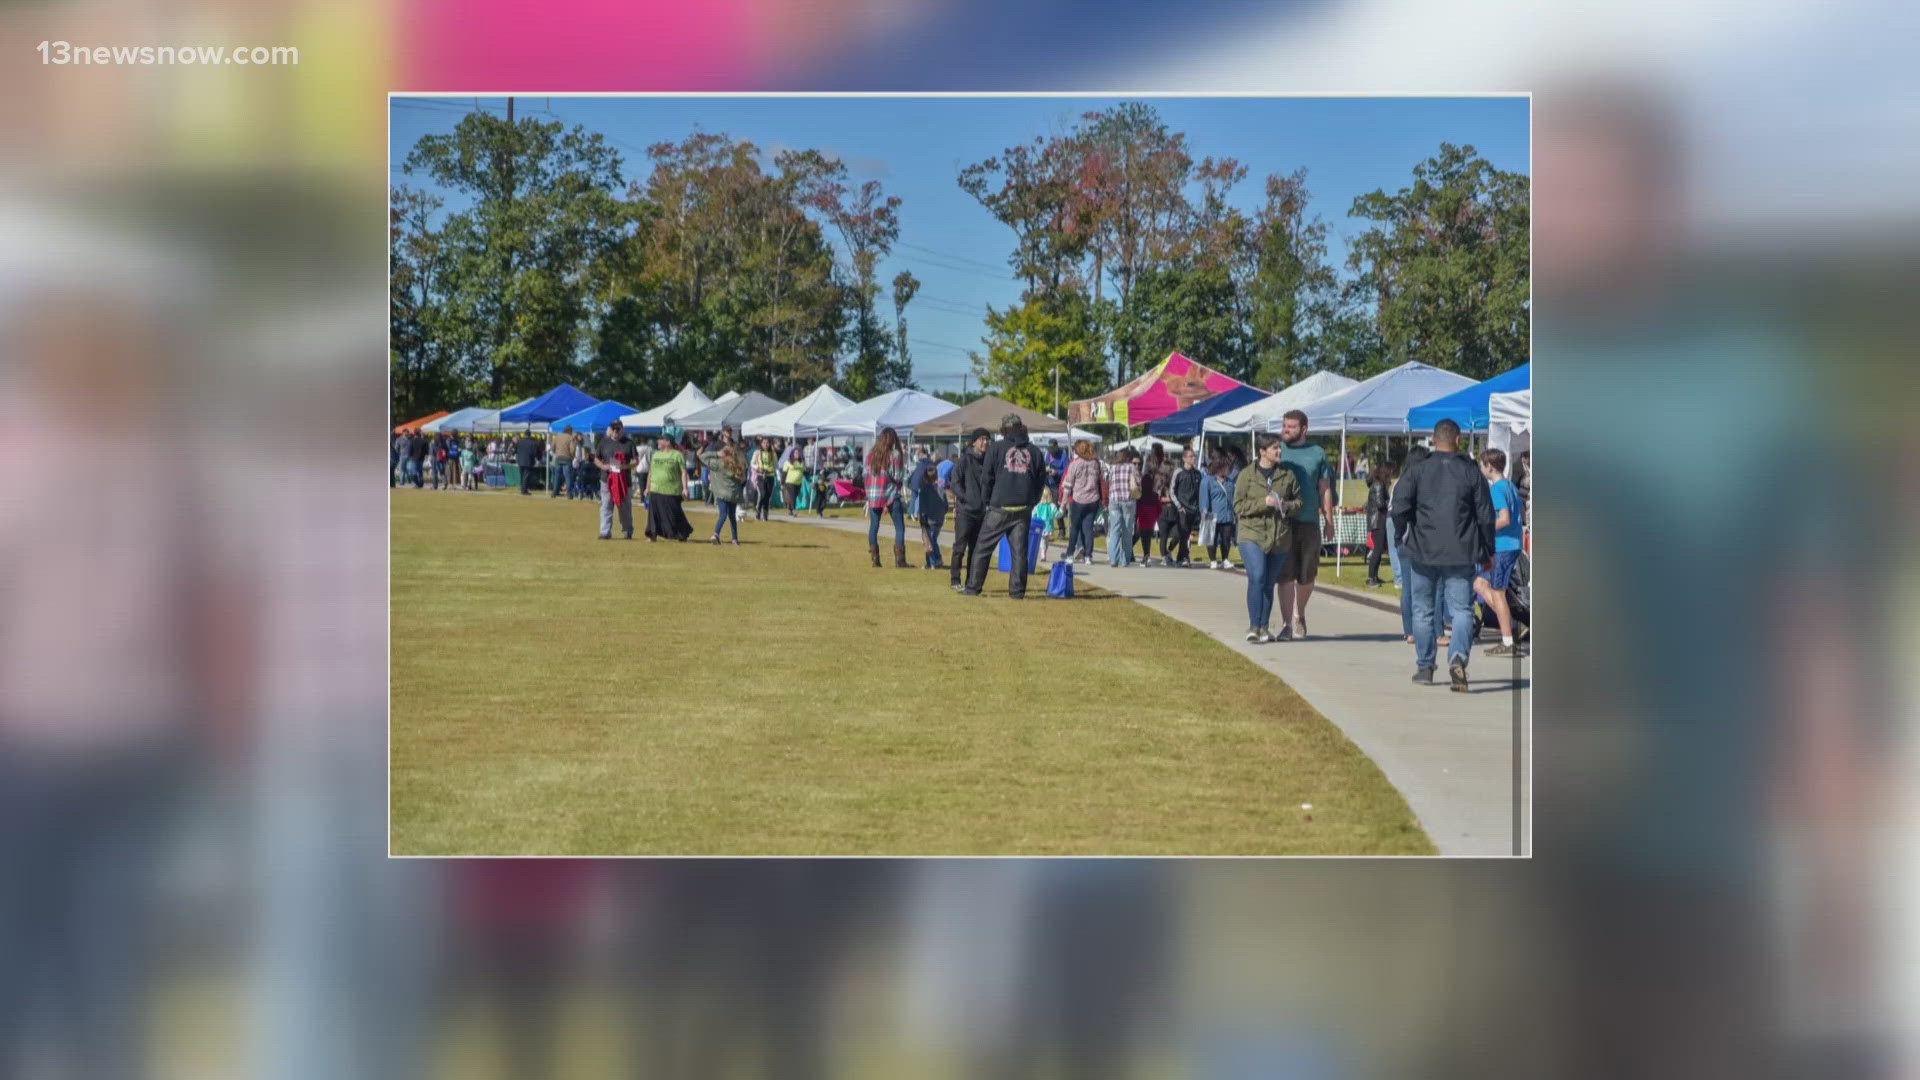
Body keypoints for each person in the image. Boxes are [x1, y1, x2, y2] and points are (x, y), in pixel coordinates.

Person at [1391, 418, 1495, 690]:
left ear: (1433, 440)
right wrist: (1488, 550)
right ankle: (1458, 657)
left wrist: (1402, 532)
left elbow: (1399, 505)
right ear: (1458, 440)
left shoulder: (1418, 470)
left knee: (1423, 610)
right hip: (1462, 550)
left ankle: (1425, 667)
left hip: (1423, 549)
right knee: (1461, 609)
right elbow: (1485, 515)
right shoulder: (1471, 472)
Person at [962, 415, 1049, 598]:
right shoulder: (1034, 451)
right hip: (1023, 508)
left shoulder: (996, 448)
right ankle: (1017, 592)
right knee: (1019, 553)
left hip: (999, 507)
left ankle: (972, 588)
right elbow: (1041, 480)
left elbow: (987, 477)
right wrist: (1032, 500)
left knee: (983, 549)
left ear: (1004, 430)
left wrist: (987, 501)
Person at [1233, 433, 1304, 642]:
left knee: (1268, 582)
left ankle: (1264, 627)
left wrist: (1285, 506)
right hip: (1251, 534)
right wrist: (1264, 503)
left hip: (1279, 536)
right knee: (1257, 576)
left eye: (1279, 448)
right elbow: (1238, 506)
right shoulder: (1247, 475)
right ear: (1262, 452)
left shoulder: (1287, 475)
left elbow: (1299, 502)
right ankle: (1254, 626)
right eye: (1275, 448)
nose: (1279, 452)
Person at [1275, 409, 1335, 639]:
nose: (1285, 430)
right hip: (1284, 522)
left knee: (1307, 576)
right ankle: (1286, 624)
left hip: (1309, 520)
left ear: (1304, 429)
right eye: (1284, 425)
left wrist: (1329, 520)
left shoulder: (1317, 453)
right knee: (1285, 575)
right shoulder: (1278, 450)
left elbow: (1325, 488)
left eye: (1290, 426)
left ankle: (1299, 613)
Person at [1473, 449, 1526, 656]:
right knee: (1481, 584)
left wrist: (1484, 528)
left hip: (1504, 545)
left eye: (1481, 465)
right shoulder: (1510, 486)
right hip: (1511, 544)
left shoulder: (1497, 489)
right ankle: (1509, 629)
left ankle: (1508, 641)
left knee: (1498, 593)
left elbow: (1504, 518)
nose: (1481, 469)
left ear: (1489, 466)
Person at [947, 428, 992, 591]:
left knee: (976, 548)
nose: (985, 442)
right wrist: (965, 498)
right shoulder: (964, 460)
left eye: (987, 439)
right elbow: (955, 483)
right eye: (982, 439)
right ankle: (955, 579)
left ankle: (970, 581)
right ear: (974, 442)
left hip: (982, 512)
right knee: (960, 547)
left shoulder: (989, 460)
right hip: (965, 512)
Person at [865, 428, 910, 568]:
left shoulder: (871, 455)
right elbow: (897, 476)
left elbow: (865, 474)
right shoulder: (895, 455)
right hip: (890, 493)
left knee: (874, 527)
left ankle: (875, 559)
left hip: (873, 495)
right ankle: (900, 560)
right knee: (899, 527)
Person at [1058, 439, 1105, 565]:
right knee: (1088, 528)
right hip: (1093, 499)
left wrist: (1063, 504)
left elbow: (1067, 485)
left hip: (1078, 499)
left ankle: (1069, 554)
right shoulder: (1095, 463)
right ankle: (1088, 556)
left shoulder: (1075, 464)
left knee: (1075, 528)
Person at [643, 431, 695, 542]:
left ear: (668, 442)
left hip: (672, 490)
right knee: (654, 514)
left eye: (661, 439)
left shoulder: (677, 455)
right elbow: (651, 472)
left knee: (675, 514)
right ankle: (652, 534)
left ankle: (681, 533)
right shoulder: (656, 454)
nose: (658, 441)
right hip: (656, 488)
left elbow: (683, 472)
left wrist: (685, 488)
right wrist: (648, 487)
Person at [595, 419, 635, 540]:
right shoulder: (604, 443)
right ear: (610, 429)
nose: (616, 431)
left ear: (622, 429)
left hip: (624, 481)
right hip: (606, 480)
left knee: (625, 507)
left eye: (618, 428)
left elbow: (635, 461)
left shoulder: (629, 443)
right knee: (606, 505)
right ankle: (605, 531)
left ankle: (627, 531)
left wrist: (624, 467)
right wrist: (603, 466)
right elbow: (596, 459)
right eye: (613, 428)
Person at [1162, 447, 1202, 567]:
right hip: (1181, 508)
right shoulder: (1178, 472)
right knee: (1180, 533)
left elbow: (1198, 492)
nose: (1193, 458)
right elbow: (1172, 491)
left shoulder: (1197, 474)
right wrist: (1179, 506)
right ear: (1184, 458)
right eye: (1190, 456)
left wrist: (1198, 507)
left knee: (1186, 534)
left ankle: (1182, 557)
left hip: (1193, 509)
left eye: (1194, 456)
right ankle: (1171, 552)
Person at [1201, 451, 1239, 569]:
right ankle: (1213, 560)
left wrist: (1235, 512)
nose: (1228, 470)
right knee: (1211, 539)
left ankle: (1225, 559)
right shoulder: (1208, 480)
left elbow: (1233, 498)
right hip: (1212, 515)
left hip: (1227, 515)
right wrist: (1204, 512)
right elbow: (1204, 498)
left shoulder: (1229, 482)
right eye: (1226, 467)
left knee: (1226, 539)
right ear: (1220, 467)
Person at [912, 448, 947, 569]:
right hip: (940, 518)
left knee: (929, 541)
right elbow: (945, 503)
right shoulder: (941, 488)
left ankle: (932, 562)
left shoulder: (924, 489)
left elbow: (921, 503)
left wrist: (917, 513)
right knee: (934, 539)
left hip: (929, 518)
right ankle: (937, 559)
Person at [1104, 449, 1139, 567]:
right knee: (1127, 531)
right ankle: (1125, 560)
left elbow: (1107, 480)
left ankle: (1113, 559)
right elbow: (1138, 482)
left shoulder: (1112, 467)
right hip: (1128, 500)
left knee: (1114, 530)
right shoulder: (1131, 467)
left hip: (1114, 500)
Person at [1364, 461, 1395, 587]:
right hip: (1377, 521)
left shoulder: (1380, 484)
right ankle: (1371, 577)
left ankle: (1374, 576)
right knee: (1377, 550)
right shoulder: (1378, 485)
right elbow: (1380, 503)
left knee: (1379, 549)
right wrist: (1391, 503)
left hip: (1378, 520)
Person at [1135, 446, 1164, 565]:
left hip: (1142, 520)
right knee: (1148, 538)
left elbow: (1137, 508)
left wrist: (1136, 517)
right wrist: (1156, 517)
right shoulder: (1154, 495)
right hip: (1151, 519)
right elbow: (1159, 508)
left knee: (1143, 538)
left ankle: (1145, 555)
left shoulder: (1141, 496)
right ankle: (1147, 555)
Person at [751, 437, 778, 521]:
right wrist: (757, 467)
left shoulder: (773, 453)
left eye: (767, 443)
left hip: (770, 476)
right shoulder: (757, 453)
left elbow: (776, 465)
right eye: (764, 443)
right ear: (761, 444)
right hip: (761, 476)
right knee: (762, 494)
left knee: (767, 496)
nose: (766, 445)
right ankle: (758, 511)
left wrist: (779, 477)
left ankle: (765, 515)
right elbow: (752, 463)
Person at [1031, 486, 1059, 565]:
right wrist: (1061, 511)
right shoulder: (1052, 506)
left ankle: (1043, 552)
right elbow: (1057, 514)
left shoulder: (1038, 506)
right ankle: (1043, 553)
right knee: (1045, 541)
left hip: (1040, 527)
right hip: (1048, 526)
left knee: (1043, 541)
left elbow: (1033, 514)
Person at [550, 425, 577, 499]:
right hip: (567, 458)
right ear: (570, 431)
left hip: (558, 458)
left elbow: (552, 447)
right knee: (568, 477)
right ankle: (569, 494)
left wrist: (557, 452)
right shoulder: (570, 438)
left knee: (557, 476)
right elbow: (572, 450)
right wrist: (573, 456)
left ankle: (554, 492)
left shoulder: (557, 436)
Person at [781, 450, 807, 518]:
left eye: (798, 453)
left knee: (795, 495)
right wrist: (782, 482)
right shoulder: (788, 462)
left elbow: (804, 471)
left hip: (798, 483)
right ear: (792, 454)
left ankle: (790, 509)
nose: (797, 454)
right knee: (792, 496)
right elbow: (784, 473)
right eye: (796, 453)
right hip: (790, 482)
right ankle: (794, 509)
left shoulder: (802, 463)